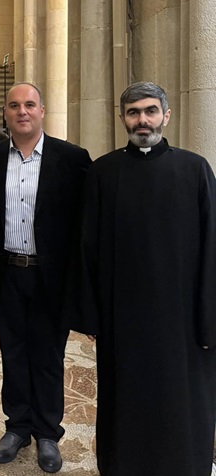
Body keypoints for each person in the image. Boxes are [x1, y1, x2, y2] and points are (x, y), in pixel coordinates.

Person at [67, 81, 216, 476]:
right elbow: (88, 246)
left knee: (181, 399)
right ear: (122, 119)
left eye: (150, 111)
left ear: (167, 115)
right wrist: (91, 314)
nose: (142, 120)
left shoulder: (195, 169)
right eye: (133, 112)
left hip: (182, 319)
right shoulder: (103, 172)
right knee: (126, 400)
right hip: (124, 317)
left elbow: (212, 246)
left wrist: (209, 315)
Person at [0, 83, 91, 473]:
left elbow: (81, 227)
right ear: (5, 113)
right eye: (14, 105)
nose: (22, 111)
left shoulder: (73, 158)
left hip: (50, 278)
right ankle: (17, 427)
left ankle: (46, 433)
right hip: (7, 272)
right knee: (13, 353)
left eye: (29, 104)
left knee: (47, 356)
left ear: (42, 110)